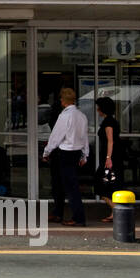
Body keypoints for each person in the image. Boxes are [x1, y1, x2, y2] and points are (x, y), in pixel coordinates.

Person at [42, 87, 88, 226]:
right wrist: (85, 155)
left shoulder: (65, 116)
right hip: (76, 153)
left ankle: (78, 218)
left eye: (61, 98)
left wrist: (46, 152)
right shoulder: (81, 116)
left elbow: (56, 136)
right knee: (68, 184)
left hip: (65, 152)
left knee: (69, 186)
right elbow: (84, 137)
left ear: (63, 100)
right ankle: (59, 213)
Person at [94, 96, 121, 222]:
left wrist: (108, 158)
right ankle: (115, 211)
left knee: (102, 185)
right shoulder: (111, 121)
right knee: (108, 185)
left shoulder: (108, 122)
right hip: (111, 157)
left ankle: (116, 211)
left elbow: (111, 141)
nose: (97, 110)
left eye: (98, 107)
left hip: (110, 159)